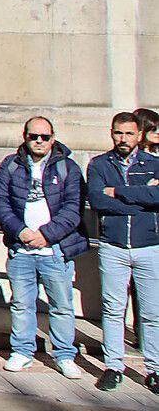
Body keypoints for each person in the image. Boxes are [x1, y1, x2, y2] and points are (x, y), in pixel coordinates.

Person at [0, 115, 86, 379]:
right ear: (25, 137)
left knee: (62, 305)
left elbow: (73, 209)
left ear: (53, 138)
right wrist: (19, 231)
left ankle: (65, 355)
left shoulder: (68, 168)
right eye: (34, 136)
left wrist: (46, 235)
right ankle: (22, 352)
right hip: (21, 250)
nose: (39, 141)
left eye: (45, 137)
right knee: (21, 303)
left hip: (55, 250)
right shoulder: (10, 165)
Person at [87, 110, 159, 393]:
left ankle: (153, 369)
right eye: (119, 133)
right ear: (111, 133)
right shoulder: (99, 164)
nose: (123, 138)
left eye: (129, 133)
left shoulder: (154, 164)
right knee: (113, 309)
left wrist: (116, 191)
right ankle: (113, 366)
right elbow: (96, 200)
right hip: (113, 246)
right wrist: (142, 197)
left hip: (149, 246)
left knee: (152, 313)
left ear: (139, 135)